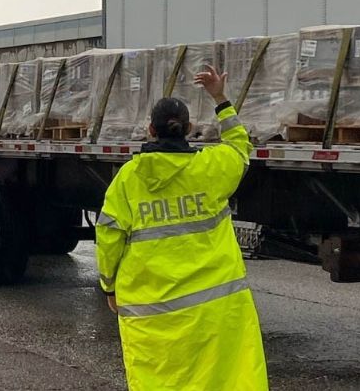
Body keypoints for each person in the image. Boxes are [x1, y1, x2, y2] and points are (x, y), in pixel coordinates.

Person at [95, 65, 268, 391]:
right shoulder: (210, 169)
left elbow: (108, 238)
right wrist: (220, 98)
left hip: (152, 312)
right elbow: (240, 145)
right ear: (189, 129)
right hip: (214, 310)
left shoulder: (129, 180)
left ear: (150, 130)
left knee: (160, 381)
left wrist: (109, 286)